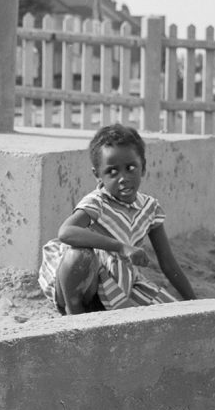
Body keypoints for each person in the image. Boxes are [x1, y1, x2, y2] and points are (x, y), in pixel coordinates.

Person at [38, 123, 196, 314]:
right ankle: (75, 314)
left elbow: (168, 263)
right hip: (86, 284)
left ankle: (104, 308)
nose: (123, 178)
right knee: (79, 255)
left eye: (130, 168)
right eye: (112, 171)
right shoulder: (98, 202)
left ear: (143, 168)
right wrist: (121, 247)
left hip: (122, 284)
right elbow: (66, 232)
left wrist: (194, 302)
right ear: (97, 175)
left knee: (169, 314)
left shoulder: (150, 208)